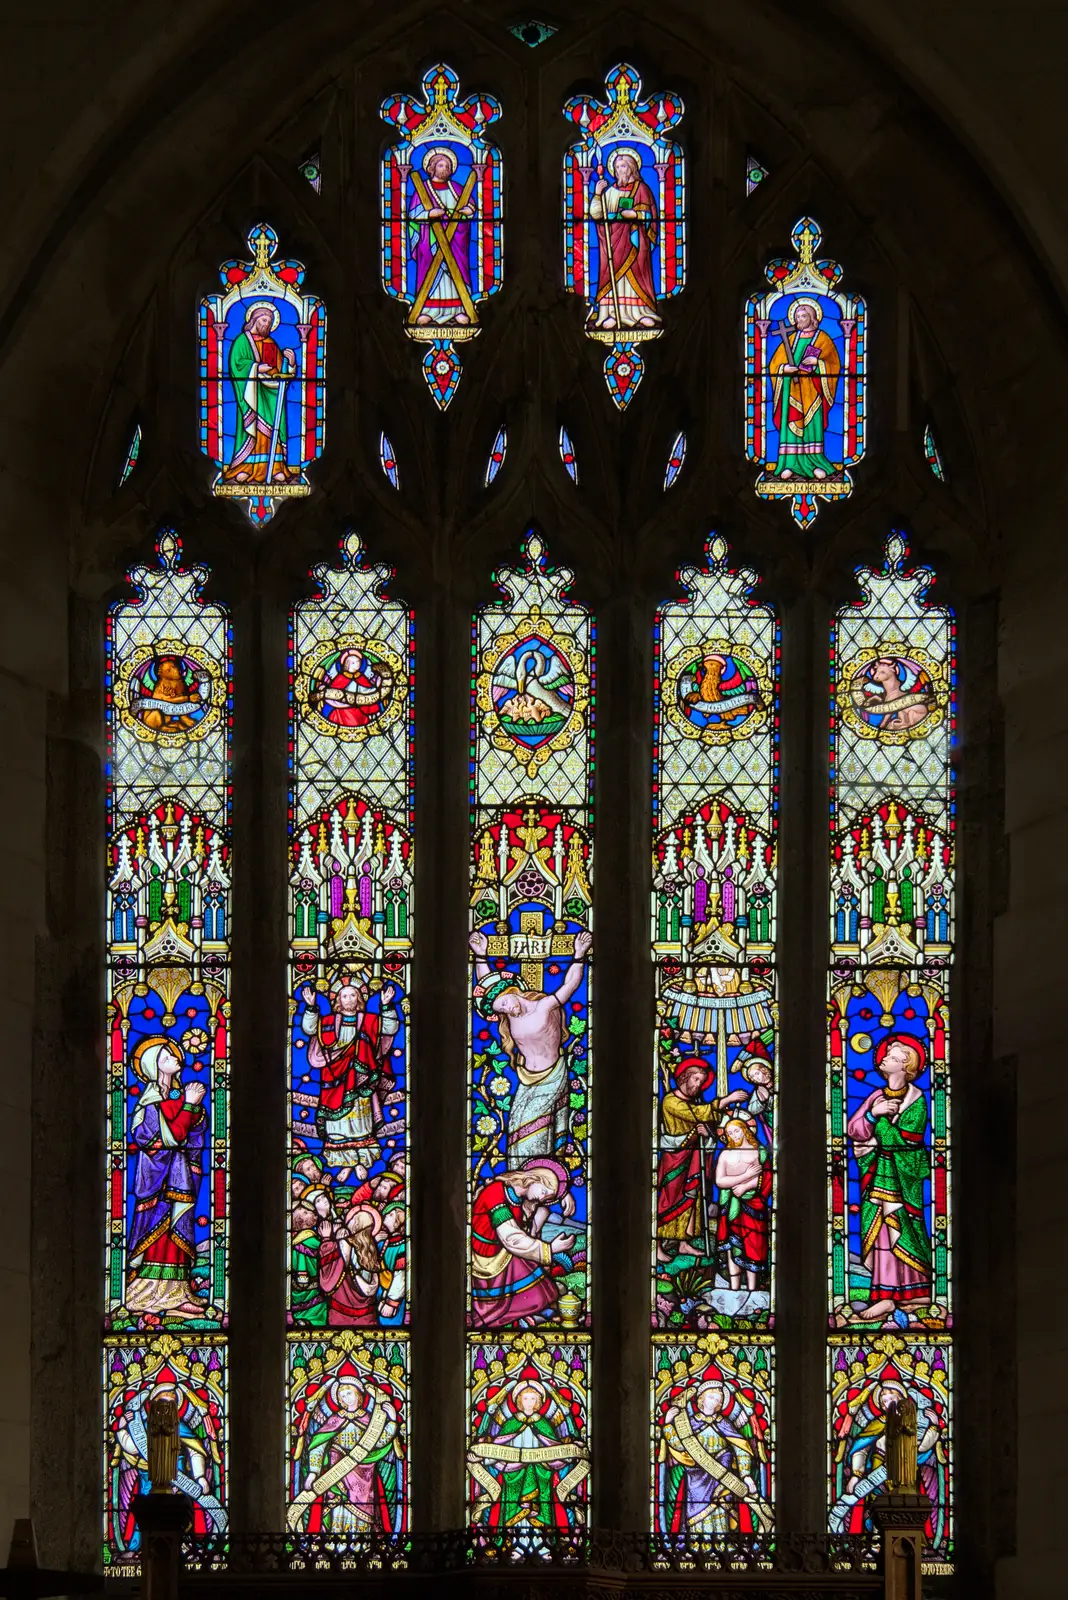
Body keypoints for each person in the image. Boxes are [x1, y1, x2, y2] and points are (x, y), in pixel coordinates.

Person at [470, 928, 592, 1161]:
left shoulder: (544, 1006)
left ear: (513, 991)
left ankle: (538, 1180)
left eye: (505, 1002)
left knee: (534, 1132)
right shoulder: (509, 1018)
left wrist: (579, 955)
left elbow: (570, 985)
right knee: (517, 1127)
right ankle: (521, 1181)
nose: (506, 1009)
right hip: (526, 1078)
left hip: (551, 1076)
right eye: (501, 1010)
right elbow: (487, 985)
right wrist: (480, 955)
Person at [845, 1034, 931, 1322]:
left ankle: (915, 1295)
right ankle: (884, 1296)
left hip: (904, 1180)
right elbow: (854, 1129)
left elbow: (905, 1139)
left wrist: (879, 1120)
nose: (883, 1057)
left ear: (907, 1067)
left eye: (892, 1056)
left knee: (903, 1229)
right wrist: (872, 1113)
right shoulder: (876, 1096)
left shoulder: (917, 1101)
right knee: (880, 1231)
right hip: (875, 1176)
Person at [126, 1037, 207, 1318]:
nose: (174, 1057)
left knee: (179, 1229)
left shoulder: (177, 1096)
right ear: (153, 1065)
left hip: (181, 1175)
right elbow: (168, 1137)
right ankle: (151, 1293)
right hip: (158, 1181)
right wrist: (189, 1105)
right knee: (160, 1232)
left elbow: (194, 1132)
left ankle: (180, 1291)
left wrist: (192, 1107)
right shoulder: (149, 1103)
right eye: (166, 1055)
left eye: (173, 1054)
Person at [299, 978, 400, 1168]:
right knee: (336, 1117)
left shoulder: (369, 1020)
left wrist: (386, 1006)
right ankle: (341, 1158)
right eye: (344, 995)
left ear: (359, 998)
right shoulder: (328, 1021)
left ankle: (362, 1154)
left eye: (353, 995)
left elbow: (390, 1028)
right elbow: (309, 1029)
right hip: (335, 1077)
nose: (349, 999)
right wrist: (311, 1007)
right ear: (338, 1000)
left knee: (360, 1109)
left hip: (361, 1077)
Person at [657, 1058, 747, 1263]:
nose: (697, 1085)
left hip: (693, 1159)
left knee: (692, 1200)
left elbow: (705, 1120)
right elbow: (697, 1115)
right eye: (695, 1079)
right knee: (669, 1200)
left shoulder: (694, 1102)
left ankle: (683, 1242)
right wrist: (724, 1100)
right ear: (684, 1078)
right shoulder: (671, 1101)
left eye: (701, 1082)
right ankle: (658, 1244)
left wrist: (705, 1131)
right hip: (675, 1159)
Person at [658, 1378, 770, 1536]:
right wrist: (668, 1424)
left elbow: (741, 1448)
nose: (714, 1401)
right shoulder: (689, 1424)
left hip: (722, 1476)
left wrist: (745, 1475)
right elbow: (679, 1446)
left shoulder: (724, 1423)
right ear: (701, 1398)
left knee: (721, 1509)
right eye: (711, 1397)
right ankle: (695, 1546)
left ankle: (724, 1546)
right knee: (695, 1515)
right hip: (696, 1478)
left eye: (718, 1399)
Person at [470, 1159, 575, 1327]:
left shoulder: (516, 1198)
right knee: (539, 1295)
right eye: (543, 1191)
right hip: (487, 1262)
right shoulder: (495, 1194)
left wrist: (563, 1194)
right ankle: (520, 1318)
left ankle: (533, 1315)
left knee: (546, 1291)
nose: (542, 1198)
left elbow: (536, 1214)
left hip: (503, 1255)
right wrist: (550, 1249)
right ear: (533, 1178)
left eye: (546, 1197)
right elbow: (511, 1237)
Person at [289, 1377, 400, 1535]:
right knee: (337, 1505)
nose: (346, 1398)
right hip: (336, 1471)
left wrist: (393, 1420)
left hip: (364, 1474)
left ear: (358, 1395)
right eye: (342, 1395)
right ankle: (334, 1545)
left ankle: (363, 1545)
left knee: (363, 1511)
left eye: (349, 1393)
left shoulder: (369, 1420)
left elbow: (380, 1441)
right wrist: (313, 1473)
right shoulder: (335, 1419)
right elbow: (318, 1446)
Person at [468, 1379, 585, 1528]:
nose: (529, 1402)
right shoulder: (511, 1423)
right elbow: (498, 1445)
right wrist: (481, 1454)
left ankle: (542, 1542)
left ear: (538, 1402)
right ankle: (511, 1541)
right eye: (525, 1398)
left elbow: (554, 1446)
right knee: (513, 1508)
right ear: (518, 1400)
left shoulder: (543, 1424)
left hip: (540, 1471)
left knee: (541, 1502)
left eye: (533, 1398)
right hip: (513, 1473)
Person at [222, 300, 298, 485]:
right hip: (252, 394)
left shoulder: (271, 342)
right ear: (255, 320)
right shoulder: (242, 341)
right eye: (264, 321)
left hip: (271, 395)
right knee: (252, 430)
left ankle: (275, 468)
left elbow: (282, 371)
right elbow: (236, 365)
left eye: (270, 323)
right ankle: (245, 468)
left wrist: (292, 362)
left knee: (273, 431)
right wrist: (256, 368)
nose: (267, 325)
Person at [588, 148, 661, 332]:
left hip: (636, 241)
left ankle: (642, 313)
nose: (620, 170)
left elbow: (650, 215)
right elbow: (596, 214)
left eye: (623, 166)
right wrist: (597, 193)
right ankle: (612, 313)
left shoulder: (642, 189)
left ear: (632, 168)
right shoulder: (610, 191)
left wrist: (634, 214)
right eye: (616, 167)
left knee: (637, 275)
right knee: (614, 277)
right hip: (613, 243)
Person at [768, 298, 841, 481]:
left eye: (803, 316)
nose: (799, 320)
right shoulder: (791, 338)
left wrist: (818, 363)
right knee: (791, 428)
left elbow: (834, 365)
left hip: (813, 392)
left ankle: (815, 461)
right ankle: (789, 463)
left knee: (812, 427)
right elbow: (774, 363)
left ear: (813, 317)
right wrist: (783, 369)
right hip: (791, 390)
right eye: (797, 316)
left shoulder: (823, 339)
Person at [406, 147, 477, 328]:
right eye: (441, 165)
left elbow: (470, 206)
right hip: (429, 240)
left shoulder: (457, 188)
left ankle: (459, 308)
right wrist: (429, 214)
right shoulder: (422, 189)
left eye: (448, 165)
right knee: (430, 271)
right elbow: (413, 215)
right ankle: (428, 310)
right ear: (432, 168)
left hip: (455, 240)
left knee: (457, 270)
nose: (445, 169)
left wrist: (469, 211)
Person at [715, 1119, 772, 1291]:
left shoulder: (759, 1152)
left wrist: (746, 1186)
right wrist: (744, 1177)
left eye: (736, 1131)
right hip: (730, 1207)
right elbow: (720, 1181)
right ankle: (734, 1289)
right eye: (729, 1133)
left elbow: (767, 1178)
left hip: (753, 1207)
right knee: (732, 1247)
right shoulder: (725, 1154)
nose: (733, 1135)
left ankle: (752, 1290)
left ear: (745, 1130)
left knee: (753, 1246)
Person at [317, 1198, 382, 1327]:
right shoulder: (372, 1250)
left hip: (340, 1315)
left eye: (352, 1219)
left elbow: (329, 1275)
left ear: (356, 1226)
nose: (348, 1221)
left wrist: (326, 1239)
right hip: (367, 1317)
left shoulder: (344, 1245)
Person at [312, 648, 391, 729]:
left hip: (359, 708)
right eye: (353, 662)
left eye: (358, 662)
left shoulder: (361, 677)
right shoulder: (341, 678)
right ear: (347, 664)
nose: (357, 664)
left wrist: (379, 685)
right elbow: (333, 689)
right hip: (343, 710)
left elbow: (367, 690)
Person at [852, 656, 936, 732]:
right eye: (877, 672)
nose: (876, 676)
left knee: (899, 720)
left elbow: (890, 712)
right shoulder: (888, 693)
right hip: (905, 719)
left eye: (882, 672)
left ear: (891, 672)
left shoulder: (895, 692)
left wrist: (881, 727)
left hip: (916, 714)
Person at [131, 656, 208, 733]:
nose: (176, 670)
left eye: (175, 667)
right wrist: (188, 698)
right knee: (156, 713)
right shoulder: (160, 688)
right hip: (152, 719)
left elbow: (179, 705)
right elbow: (168, 700)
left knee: (177, 724)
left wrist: (184, 717)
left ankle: (173, 724)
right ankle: (162, 728)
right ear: (163, 674)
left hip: (166, 718)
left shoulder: (180, 685)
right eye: (169, 670)